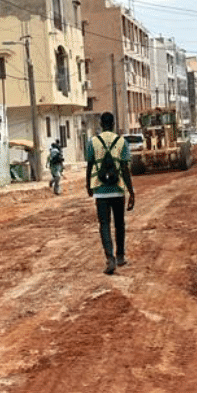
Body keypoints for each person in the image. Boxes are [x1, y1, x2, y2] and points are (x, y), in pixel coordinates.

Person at [86, 111, 135, 274]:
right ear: (113, 124)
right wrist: (131, 192)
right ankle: (120, 256)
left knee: (104, 225)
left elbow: (90, 165)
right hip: (118, 190)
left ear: (101, 124)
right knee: (119, 223)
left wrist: (88, 186)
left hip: (100, 190)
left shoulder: (93, 142)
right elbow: (125, 169)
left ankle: (110, 259)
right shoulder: (121, 142)